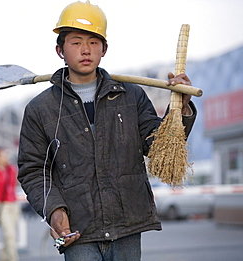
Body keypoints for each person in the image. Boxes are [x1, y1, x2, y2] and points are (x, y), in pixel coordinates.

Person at [17, 1, 197, 260]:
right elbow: (33, 171)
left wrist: (180, 107)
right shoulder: (41, 109)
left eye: (93, 42)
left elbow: (158, 147)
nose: (85, 50)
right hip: (78, 231)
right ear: (60, 50)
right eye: (76, 42)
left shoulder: (131, 96)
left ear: (104, 49)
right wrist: (54, 209)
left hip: (127, 226)